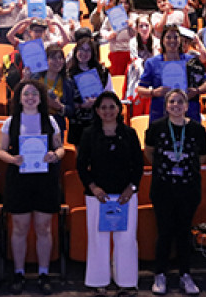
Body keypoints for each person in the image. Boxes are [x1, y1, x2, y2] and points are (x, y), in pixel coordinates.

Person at [0, 80, 64, 295]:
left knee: (44, 228)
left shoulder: (50, 120)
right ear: (19, 98)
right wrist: (12, 159)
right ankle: (19, 273)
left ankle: (44, 273)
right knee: (19, 228)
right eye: (26, 94)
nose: (30, 98)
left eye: (34, 94)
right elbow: (1, 151)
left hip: (45, 180)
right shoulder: (10, 122)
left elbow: (60, 147)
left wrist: (55, 155)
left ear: (40, 97)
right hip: (19, 178)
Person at [76, 91, 142, 295]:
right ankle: (99, 281)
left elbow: (138, 165)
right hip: (98, 196)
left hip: (125, 196)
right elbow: (80, 165)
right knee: (98, 239)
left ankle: (126, 282)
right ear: (97, 110)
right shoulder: (88, 134)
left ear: (119, 109)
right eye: (103, 107)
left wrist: (131, 188)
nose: (108, 111)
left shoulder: (130, 134)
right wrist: (93, 187)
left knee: (126, 239)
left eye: (112, 107)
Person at [145, 89, 206, 296]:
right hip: (163, 188)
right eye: (172, 101)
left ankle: (185, 275)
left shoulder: (198, 130)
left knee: (183, 232)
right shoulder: (156, 128)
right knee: (164, 232)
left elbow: (202, 157)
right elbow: (149, 152)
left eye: (180, 101)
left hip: (188, 188)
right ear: (166, 106)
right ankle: (160, 274)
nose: (176, 105)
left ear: (186, 105)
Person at [138, 24, 206, 123]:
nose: (172, 40)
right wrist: (154, 92)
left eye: (175, 37)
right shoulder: (152, 63)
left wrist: (197, 91)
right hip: (161, 113)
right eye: (168, 37)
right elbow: (140, 89)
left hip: (189, 113)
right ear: (162, 40)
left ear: (180, 40)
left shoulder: (191, 61)